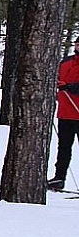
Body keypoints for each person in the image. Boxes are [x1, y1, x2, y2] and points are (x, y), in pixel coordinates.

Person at [48, 37, 79, 191]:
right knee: (64, 148)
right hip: (65, 113)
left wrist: (69, 87)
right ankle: (59, 178)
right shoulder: (65, 61)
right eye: (77, 44)